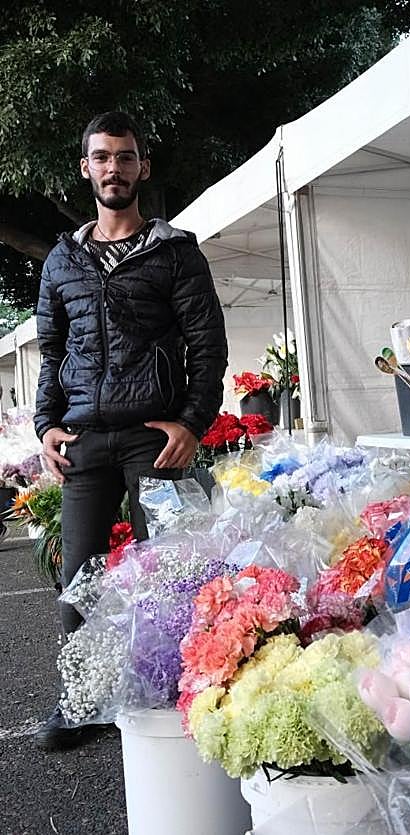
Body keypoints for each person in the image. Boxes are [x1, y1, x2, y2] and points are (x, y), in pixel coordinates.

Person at [33, 111, 228, 750]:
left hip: (156, 439)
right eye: (101, 157)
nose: (113, 168)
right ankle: (81, 700)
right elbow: (52, 346)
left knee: (169, 573)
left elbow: (207, 345)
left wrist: (194, 422)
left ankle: (181, 694)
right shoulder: (63, 260)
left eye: (125, 156)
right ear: (85, 168)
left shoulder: (175, 252)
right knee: (79, 579)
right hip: (85, 438)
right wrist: (45, 426)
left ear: (142, 166)